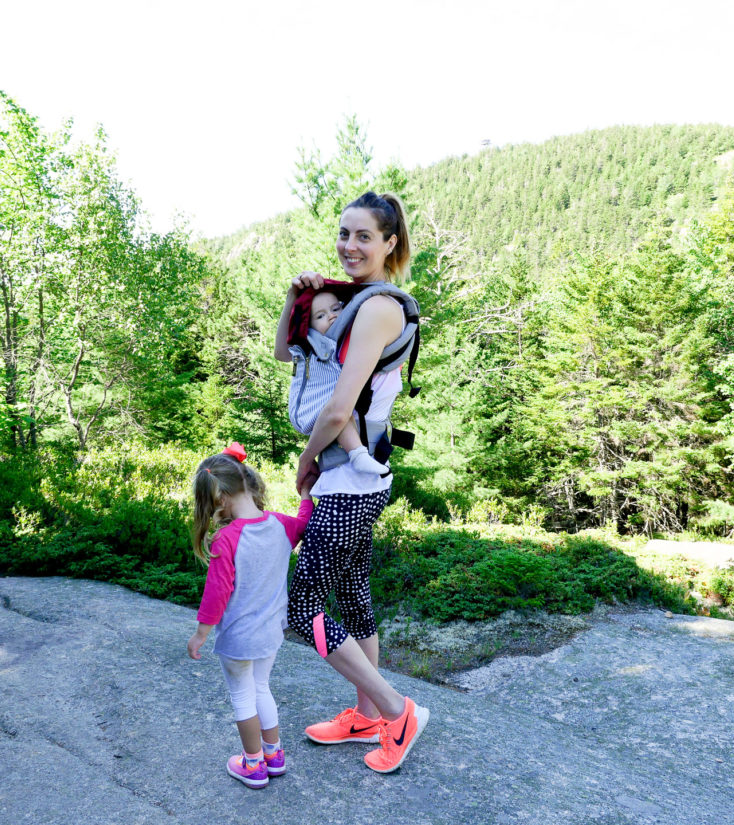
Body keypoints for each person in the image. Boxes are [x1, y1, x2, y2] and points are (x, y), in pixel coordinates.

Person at [274, 191, 429, 774]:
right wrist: (295, 297)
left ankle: (396, 708)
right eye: (344, 233)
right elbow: (289, 353)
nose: (349, 245)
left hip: (347, 481)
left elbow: (338, 410)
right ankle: (367, 711)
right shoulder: (357, 302)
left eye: (364, 236)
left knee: (304, 604)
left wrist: (306, 461)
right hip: (356, 479)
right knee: (354, 593)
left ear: (391, 244)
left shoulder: (379, 307)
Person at [186, 442, 314, 789]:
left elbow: (216, 594)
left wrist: (201, 634)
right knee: (262, 689)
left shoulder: (227, 539)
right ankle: (274, 756)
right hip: (271, 634)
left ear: (221, 499)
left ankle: (253, 764)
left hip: (239, 639)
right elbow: (304, 521)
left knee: (243, 696)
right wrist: (305, 494)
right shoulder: (280, 526)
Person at [275, 287, 390, 477]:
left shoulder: (347, 339)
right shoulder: (308, 344)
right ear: (308, 326)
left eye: (336, 309)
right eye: (320, 316)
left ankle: (359, 454)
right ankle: (358, 454)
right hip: (308, 409)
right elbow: (280, 353)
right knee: (338, 412)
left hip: (329, 409)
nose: (331, 316)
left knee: (341, 409)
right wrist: (291, 299)